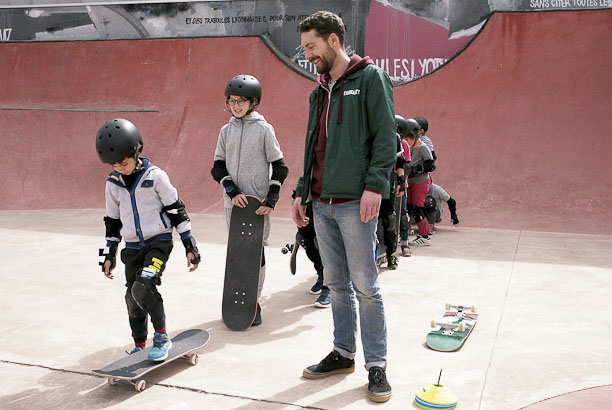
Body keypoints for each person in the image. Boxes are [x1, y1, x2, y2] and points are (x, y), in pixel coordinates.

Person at [292, 11, 395, 403]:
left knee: (366, 286)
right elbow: (311, 148)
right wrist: (302, 192)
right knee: (335, 285)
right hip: (321, 203)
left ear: (334, 40)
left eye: (312, 47)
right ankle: (343, 353)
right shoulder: (318, 91)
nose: (308, 55)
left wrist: (375, 186)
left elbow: (385, 137)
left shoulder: (370, 79)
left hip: (356, 203)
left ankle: (377, 364)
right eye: (305, 49)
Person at [96, 118, 201, 361]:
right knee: (132, 297)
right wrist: (108, 255)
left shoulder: (156, 176)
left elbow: (176, 210)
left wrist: (190, 244)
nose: (119, 168)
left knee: (144, 286)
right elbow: (112, 222)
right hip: (132, 249)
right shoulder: (112, 184)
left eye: (123, 162)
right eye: (113, 164)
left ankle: (162, 337)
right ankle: (140, 345)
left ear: (137, 149)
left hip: (158, 243)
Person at [211, 74, 289, 326]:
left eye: (241, 101)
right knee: (237, 251)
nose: (235, 106)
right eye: (231, 101)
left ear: (254, 102)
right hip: (233, 204)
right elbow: (217, 167)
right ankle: (236, 301)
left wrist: (271, 198)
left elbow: (280, 167)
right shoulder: (225, 131)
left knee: (256, 253)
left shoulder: (264, 130)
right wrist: (232, 190)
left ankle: (253, 302)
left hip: (256, 205)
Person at [376, 122, 406, 270]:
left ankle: (391, 255)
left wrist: (401, 181)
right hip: (367, 184)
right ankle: (372, 254)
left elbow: (400, 161)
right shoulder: (368, 133)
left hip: (388, 183)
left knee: (389, 221)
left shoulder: (395, 138)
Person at [291, 194, 330, 308]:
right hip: (310, 192)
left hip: (334, 195)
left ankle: (329, 285)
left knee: (327, 242)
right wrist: (299, 194)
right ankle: (321, 274)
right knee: (306, 239)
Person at [405, 117, 436, 246]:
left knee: (418, 208)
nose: (405, 141)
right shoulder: (408, 146)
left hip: (421, 182)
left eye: (407, 139)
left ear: (414, 136)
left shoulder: (423, 147)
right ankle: (405, 233)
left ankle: (425, 235)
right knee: (408, 207)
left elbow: (431, 165)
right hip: (409, 181)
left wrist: (418, 169)